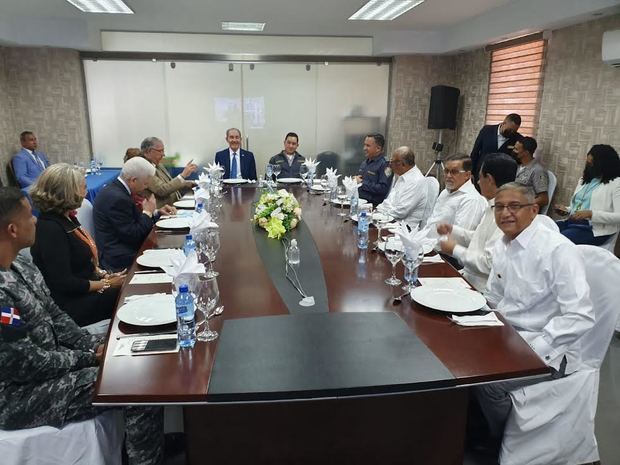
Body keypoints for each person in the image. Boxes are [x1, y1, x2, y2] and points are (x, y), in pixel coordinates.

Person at [0, 186, 163, 465]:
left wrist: (94, 346)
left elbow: (56, 315)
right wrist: (89, 357)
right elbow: (28, 364)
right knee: (135, 384)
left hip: (51, 365)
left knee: (132, 360)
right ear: (13, 230)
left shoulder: (20, 266)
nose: (36, 220)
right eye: (30, 216)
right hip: (19, 396)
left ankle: (145, 446)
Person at [474, 182, 594, 446]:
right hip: (508, 336)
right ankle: (469, 424)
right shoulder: (504, 244)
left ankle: (501, 441)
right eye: (500, 207)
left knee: (489, 385)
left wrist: (534, 348)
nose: (505, 213)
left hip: (549, 350)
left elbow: (580, 315)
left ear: (534, 210)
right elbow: (493, 296)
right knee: (460, 355)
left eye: (515, 206)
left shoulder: (557, 251)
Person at [29, 164, 125, 327]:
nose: (86, 192)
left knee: (127, 284)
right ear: (67, 192)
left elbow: (82, 266)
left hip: (87, 290)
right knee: (126, 296)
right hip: (72, 305)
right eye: (83, 187)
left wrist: (105, 276)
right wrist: (106, 284)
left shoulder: (66, 217)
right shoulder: (50, 228)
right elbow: (64, 283)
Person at [436, 153, 517, 291]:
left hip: (481, 289)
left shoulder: (505, 215)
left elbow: (488, 264)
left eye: (480, 177)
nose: (478, 183)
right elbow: (479, 238)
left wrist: (454, 249)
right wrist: (453, 230)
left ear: (489, 179)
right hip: (468, 278)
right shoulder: (493, 205)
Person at [93, 157, 176, 272]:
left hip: (126, 248)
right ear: (133, 180)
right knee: (172, 261)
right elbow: (134, 235)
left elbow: (132, 219)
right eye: (145, 183)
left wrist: (156, 212)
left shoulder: (118, 189)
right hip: (120, 258)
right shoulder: (117, 198)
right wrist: (147, 212)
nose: (146, 187)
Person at [556, 144, 620, 245]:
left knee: (559, 241)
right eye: (588, 163)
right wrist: (567, 210)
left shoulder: (616, 183)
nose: (589, 167)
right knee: (544, 232)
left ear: (604, 165)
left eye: (592, 164)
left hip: (594, 229)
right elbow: (579, 206)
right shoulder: (584, 180)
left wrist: (591, 214)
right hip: (573, 223)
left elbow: (618, 216)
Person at [426, 153, 487, 232]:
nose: (448, 175)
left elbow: (459, 237)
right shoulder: (445, 192)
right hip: (425, 239)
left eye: (454, 172)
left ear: (467, 175)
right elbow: (432, 221)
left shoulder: (471, 200)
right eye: (446, 171)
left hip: (441, 243)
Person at [375, 146, 427, 229]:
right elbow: (389, 201)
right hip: (391, 220)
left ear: (402, 164)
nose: (390, 165)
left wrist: (380, 215)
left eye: (392, 162)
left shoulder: (416, 181)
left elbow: (401, 212)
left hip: (404, 228)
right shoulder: (403, 176)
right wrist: (377, 211)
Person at [141, 137, 197, 208]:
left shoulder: (158, 164)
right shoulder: (144, 169)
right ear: (148, 152)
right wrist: (182, 175)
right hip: (162, 211)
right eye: (160, 151)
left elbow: (170, 184)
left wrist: (191, 183)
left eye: (163, 150)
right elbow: (162, 190)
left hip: (173, 206)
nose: (163, 154)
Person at [470, 114, 521, 182]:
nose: (511, 133)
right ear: (504, 123)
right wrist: (470, 172)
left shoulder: (517, 139)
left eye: (514, 131)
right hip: (481, 173)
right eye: (510, 130)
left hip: (500, 178)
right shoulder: (486, 130)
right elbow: (475, 152)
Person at [356, 133, 392, 206]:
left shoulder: (385, 164)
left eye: (368, 146)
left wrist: (362, 183)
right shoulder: (365, 162)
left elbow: (383, 189)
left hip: (373, 206)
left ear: (378, 148)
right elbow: (360, 180)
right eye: (364, 145)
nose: (364, 148)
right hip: (359, 201)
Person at [513, 136, 549, 210]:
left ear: (526, 153)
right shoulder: (516, 166)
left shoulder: (537, 170)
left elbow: (544, 199)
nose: (513, 151)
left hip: (525, 210)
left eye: (516, 149)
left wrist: (523, 205)